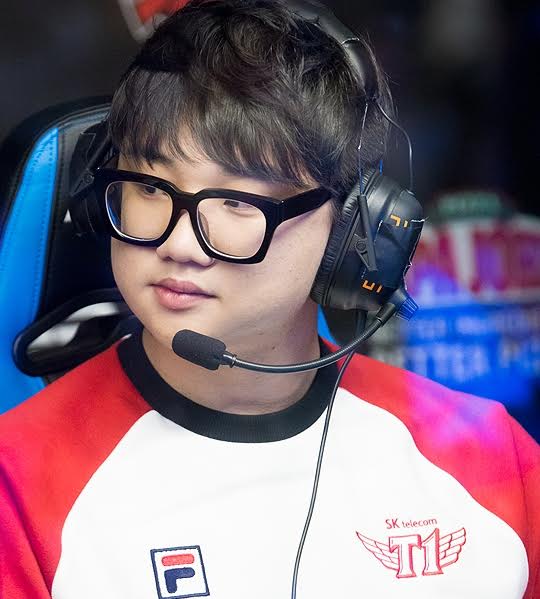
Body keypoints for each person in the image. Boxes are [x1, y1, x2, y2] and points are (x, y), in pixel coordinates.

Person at [0, 1, 538, 598]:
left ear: (351, 230)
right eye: (150, 187)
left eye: (237, 203)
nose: (179, 245)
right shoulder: (17, 490)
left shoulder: (488, 460)